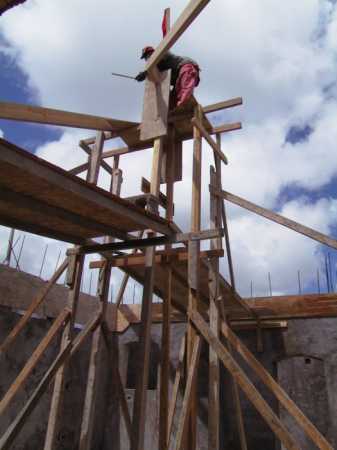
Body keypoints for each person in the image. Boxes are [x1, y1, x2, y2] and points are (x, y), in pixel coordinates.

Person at [135, 46, 200, 108]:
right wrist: (145, 74)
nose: (147, 59)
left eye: (147, 56)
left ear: (152, 53)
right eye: (145, 58)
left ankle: (183, 104)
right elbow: (154, 71)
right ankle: (175, 109)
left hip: (186, 66)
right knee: (174, 96)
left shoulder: (162, 53)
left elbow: (153, 65)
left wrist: (146, 72)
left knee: (185, 86)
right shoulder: (159, 68)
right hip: (178, 75)